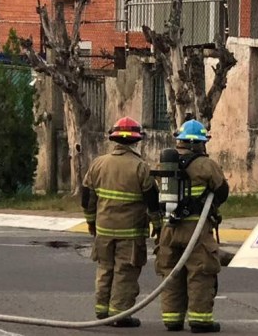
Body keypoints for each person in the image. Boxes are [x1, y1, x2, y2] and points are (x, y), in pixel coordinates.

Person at [81, 116, 161, 328]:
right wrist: (158, 225)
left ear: (113, 138)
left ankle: (102, 310)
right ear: (137, 140)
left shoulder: (98, 164)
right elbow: (152, 200)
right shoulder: (141, 167)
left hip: (103, 230)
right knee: (125, 272)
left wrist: (91, 222)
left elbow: (87, 197)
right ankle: (119, 315)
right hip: (130, 233)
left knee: (105, 269)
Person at [155, 119, 229, 333]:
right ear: (199, 143)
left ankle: (172, 320)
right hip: (196, 229)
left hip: (169, 228)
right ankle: (200, 320)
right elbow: (222, 191)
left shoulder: (165, 164)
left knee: (171, 273)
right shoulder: (206, 165)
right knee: (200, 273)